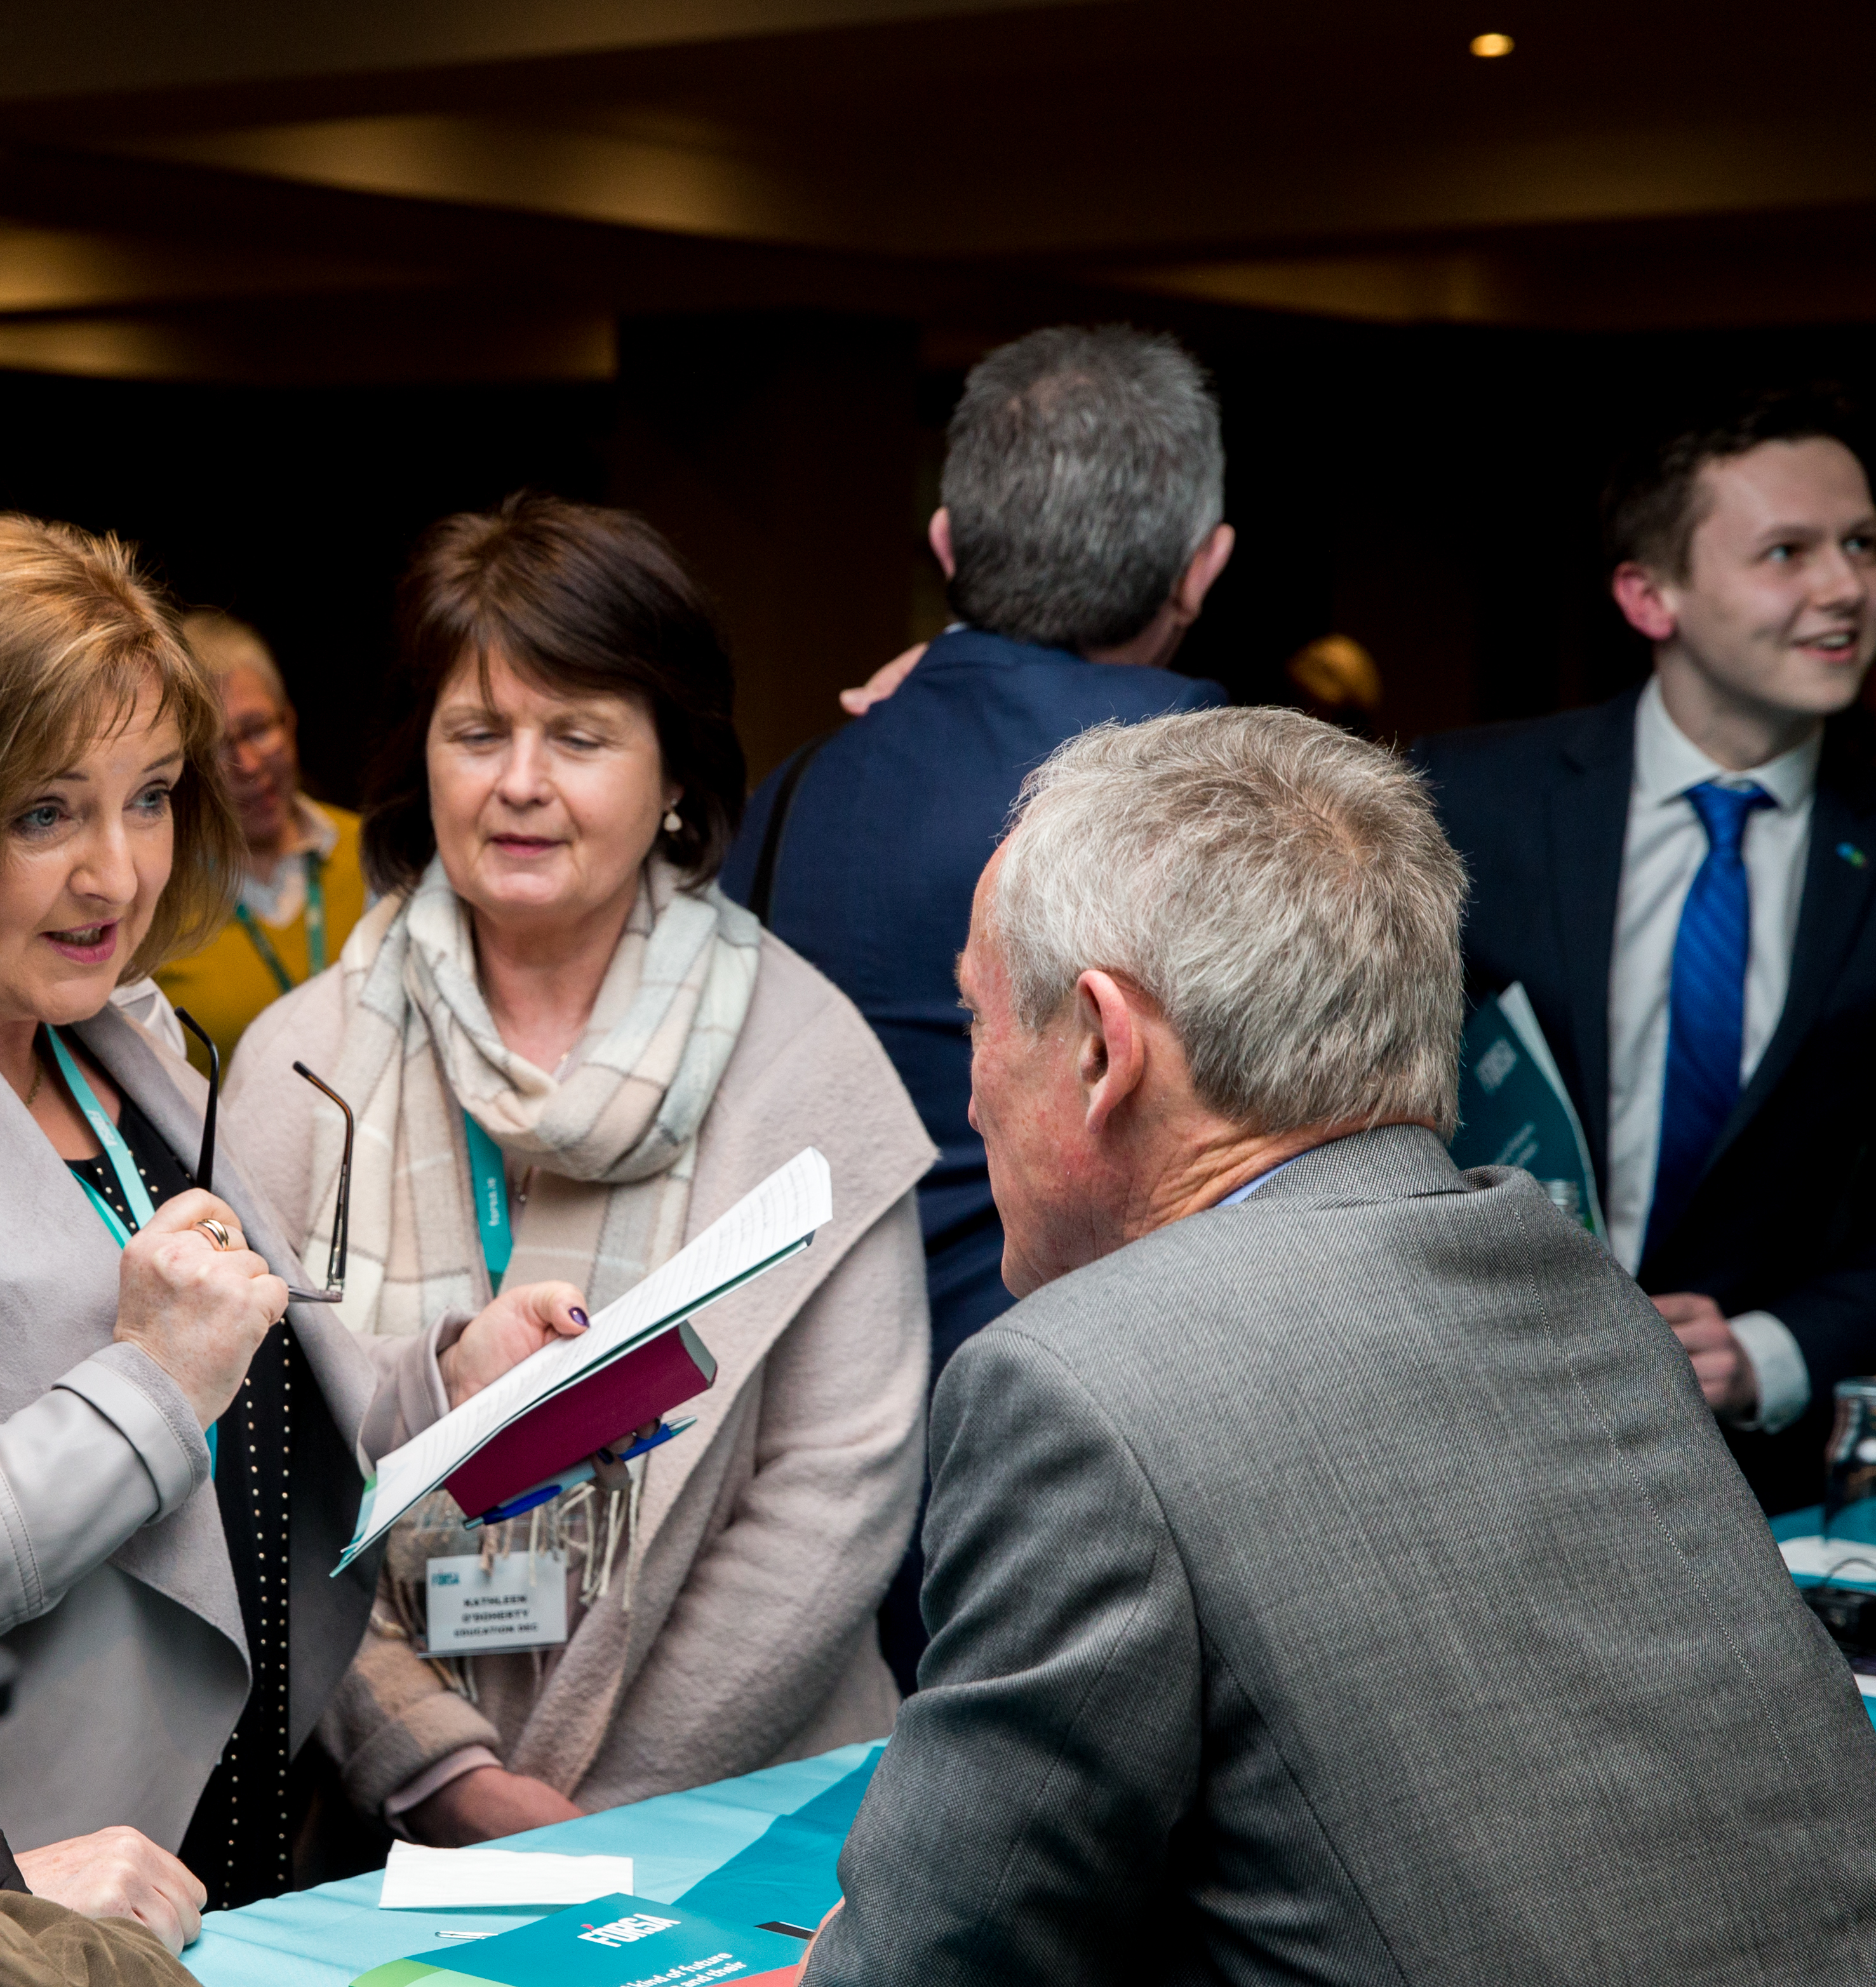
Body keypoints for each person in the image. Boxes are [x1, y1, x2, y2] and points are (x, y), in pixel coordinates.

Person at [803, 707, 1876, 1985]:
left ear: (1101, 1045)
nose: (970, 1091)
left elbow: (937, 1956)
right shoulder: (1573, 1283)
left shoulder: (1079, 1381)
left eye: (979, 1021)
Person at [0, 514, 587, 1904]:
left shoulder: (118, 1043)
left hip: (235, 1858)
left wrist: (445, 1387)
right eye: (45, 812)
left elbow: (243, 1416)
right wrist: (140, 1390)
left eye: (148, 797)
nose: (116, 874)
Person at [225, 494, 933, 1847]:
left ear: (676, 774)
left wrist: (589, 1821)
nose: (521, 782)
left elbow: (838, 1486)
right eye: (477, 732)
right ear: (417, 760)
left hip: (742, 1821)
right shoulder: (297, 1069)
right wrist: (435, 1768)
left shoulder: (804, 1063)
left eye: (580, 735)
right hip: (384, 1839)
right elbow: (263, 1488)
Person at [722, 323, 1231, 1691]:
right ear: (1204, 566)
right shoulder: (1231, 806)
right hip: (1109, 1471)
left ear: (944, 545)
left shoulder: (806, 786)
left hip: (808, 1459)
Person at [1412, 391, 1876, 1512]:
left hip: (1762, 1490)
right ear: (1646, 593)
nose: (1844, 588)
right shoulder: (1464, 801)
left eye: (1860, 543)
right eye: (1785, 551)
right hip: (1458, 1432)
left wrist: (1768, 1347)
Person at [149, 610, 366, 1069]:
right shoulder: (157, 895)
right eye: (217, 747)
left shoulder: (376, 854)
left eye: (258, 729)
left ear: (290, 721)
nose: (247, 764)